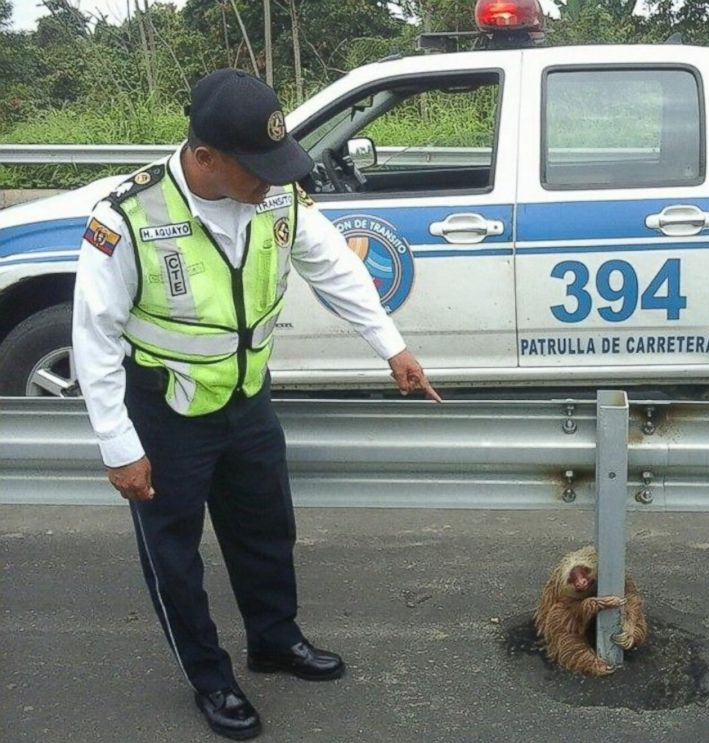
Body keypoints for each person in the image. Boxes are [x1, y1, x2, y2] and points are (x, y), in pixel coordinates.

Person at [72, 68, 441, 741]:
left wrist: (391, 346)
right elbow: (92, 338)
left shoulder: (277, 198)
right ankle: (210, 677)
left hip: (245, 399)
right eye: (257, 168)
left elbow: (333, 264)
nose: (271, 182)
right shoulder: (128, 216)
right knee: (174, 558)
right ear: (205, 157)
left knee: (266, 530)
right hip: (166, 414)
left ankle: (275, 639)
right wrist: (118, 444)